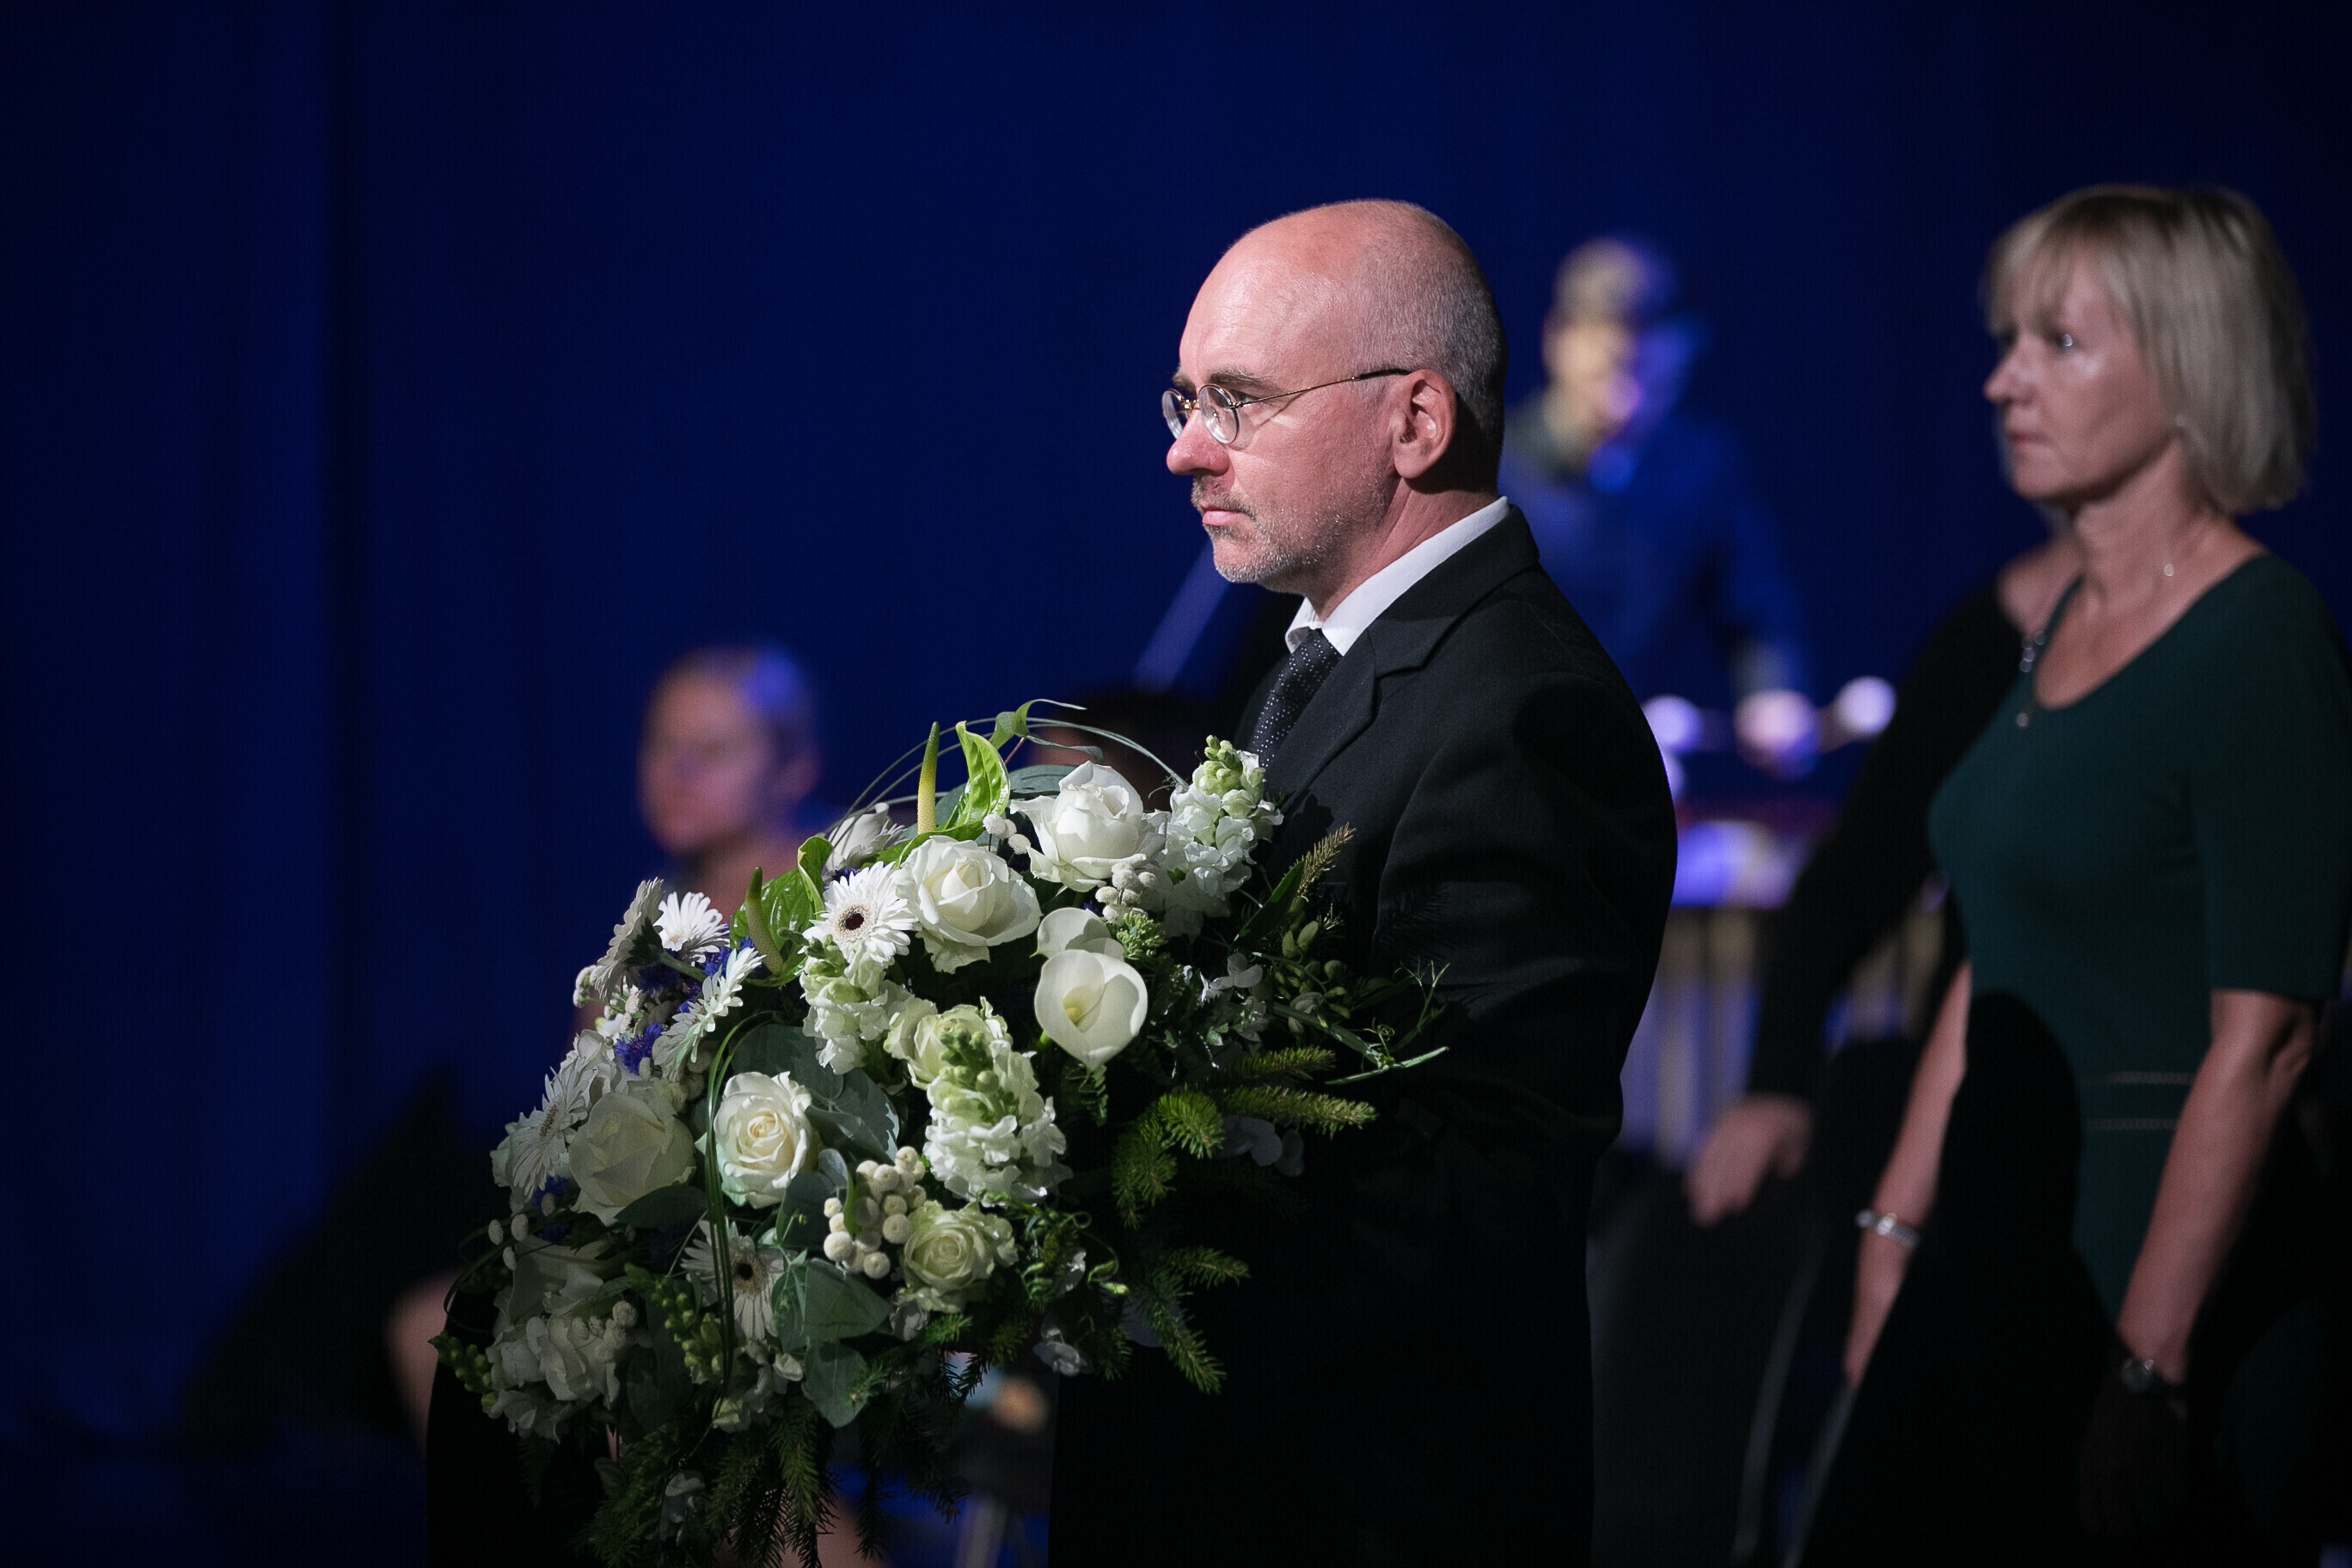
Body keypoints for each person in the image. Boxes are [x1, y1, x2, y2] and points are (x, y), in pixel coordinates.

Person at [1050, 200, 1677, 1565]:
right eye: (1184, 399)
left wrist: (1097, 1254)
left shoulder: (1525, 710)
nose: (1185, 447)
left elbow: (1480, 1195)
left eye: (1236, 400)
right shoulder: (1327, 659)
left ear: (1415, 422)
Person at [1803, 186, 2352, 1565]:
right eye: (2007, 342)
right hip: (1995, 1238)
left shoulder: (2261, 635)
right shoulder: (2059, 615)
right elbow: (1999, 952)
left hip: (2150, 1259)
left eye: (2058, 342)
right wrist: (1891, 1228)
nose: (2004, 382)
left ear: (2190, 370)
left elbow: (2271, 1037)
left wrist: (2147, 1364)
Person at [1684, 529, 2079, 1227]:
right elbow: (1849, 883)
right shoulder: (1984, 637)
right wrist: (1779, 1082)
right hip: (1977, 1118)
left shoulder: (2239, 633)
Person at [1500, 236, 1817, 776]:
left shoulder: (1704, 467)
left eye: (1646, 373)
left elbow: (1755, 611)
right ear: (1556, 340)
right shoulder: (1492, 466)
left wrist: (1771, 693)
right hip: (1511, 756)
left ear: (1687, 349)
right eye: (1605, 371)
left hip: (1635, 764)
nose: (1625, 400)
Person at [637, 643, 822, 914]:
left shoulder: (852, 888)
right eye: (664, 744)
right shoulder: (657, 905)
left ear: (795, 771)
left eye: (713, 750)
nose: (678, 772)